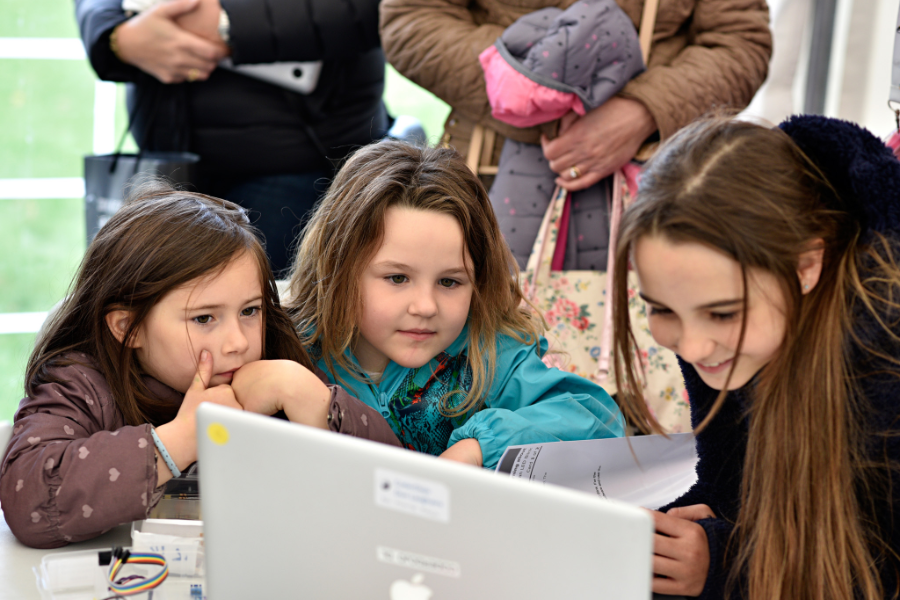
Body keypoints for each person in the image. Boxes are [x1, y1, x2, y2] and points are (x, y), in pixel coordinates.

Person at [0, 183, 400, 549]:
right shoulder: (82, 384)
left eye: (249, 310)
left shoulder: (276, 366)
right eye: (204, 318)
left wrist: (304, 393)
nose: (238, 342)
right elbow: (28, 500)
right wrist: (182, 437)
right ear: (128, 328)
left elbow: (398, 492)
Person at [611, 115, 900, 599]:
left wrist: (727, 566)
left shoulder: (884, 368)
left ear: (807, 267)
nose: (693, 346)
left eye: (722, 314)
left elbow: (879, 570)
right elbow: (732, 490)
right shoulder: (728, 331)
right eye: (662, 309)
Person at [286, 140, 624, 469]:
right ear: (338, 268)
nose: (425, 306)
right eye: (397, 278)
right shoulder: (291, 346)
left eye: (449, 282)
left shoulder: (489, 352)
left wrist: (481, 445)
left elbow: (599, 421)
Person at [380, 0, 772, 270]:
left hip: (657, 187)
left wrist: (642, 111)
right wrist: (537, 92)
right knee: (488, 358)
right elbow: (411, 21)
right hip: (490, 171)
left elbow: (739, 41)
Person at [75, 0, 389, 275]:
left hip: (296, 154)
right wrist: (116, 37)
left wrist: (228, 22)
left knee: (265, 319)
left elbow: (376, 7)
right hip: (165, 150)